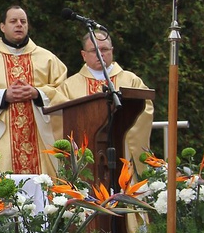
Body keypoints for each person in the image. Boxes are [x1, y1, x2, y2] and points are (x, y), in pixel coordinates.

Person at [0, 5, 67, 176]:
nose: (19, 25)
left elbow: (63, 92)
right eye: (13, 21)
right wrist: (3, 96)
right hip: (2, 141)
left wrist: (37, 94)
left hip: (39, 140)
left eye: (23, 21)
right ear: (2, 27)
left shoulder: (47, 59)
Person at [58, 30, 154, 172]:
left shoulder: (130, 80)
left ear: (112, 51)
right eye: (94, 50)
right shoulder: (69, 86)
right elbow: (61, 119)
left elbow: (145, 109)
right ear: (84, 55)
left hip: (121, 151)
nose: (100, 54)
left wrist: (122, 128)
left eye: (104, 49)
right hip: (87, 154)